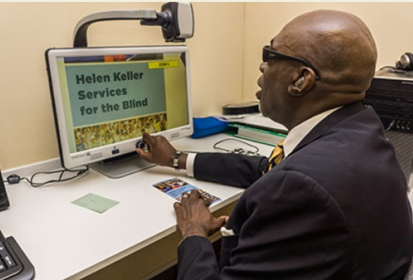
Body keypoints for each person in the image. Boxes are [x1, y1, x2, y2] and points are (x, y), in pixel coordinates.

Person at [136, 10, 413, 280]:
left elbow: (289, 180)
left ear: (300, 80)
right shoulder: (361, 132)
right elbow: (269, 169)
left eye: (269, 55)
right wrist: (177, 158)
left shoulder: (302, 187)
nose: (261, 66)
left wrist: (193, 231)